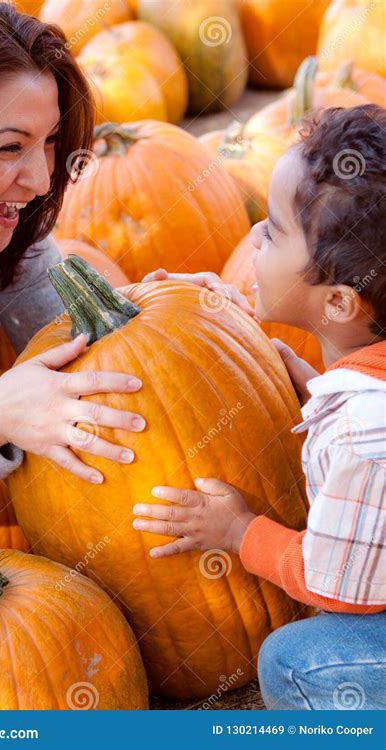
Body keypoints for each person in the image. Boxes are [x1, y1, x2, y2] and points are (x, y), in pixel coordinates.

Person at [134, 104, 386, 710]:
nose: (250, 237)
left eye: (271, 231)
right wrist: (305, 388)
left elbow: (341, 590)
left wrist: (239, 531)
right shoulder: (359, 401)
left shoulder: (360, 433)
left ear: (337, 304)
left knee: (295, 661)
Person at [0, 0, 145, 523]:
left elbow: (67, 340)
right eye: (12, 146)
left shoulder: (2, 221)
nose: (41, 181)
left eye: (50, 143)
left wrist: (165, 314)